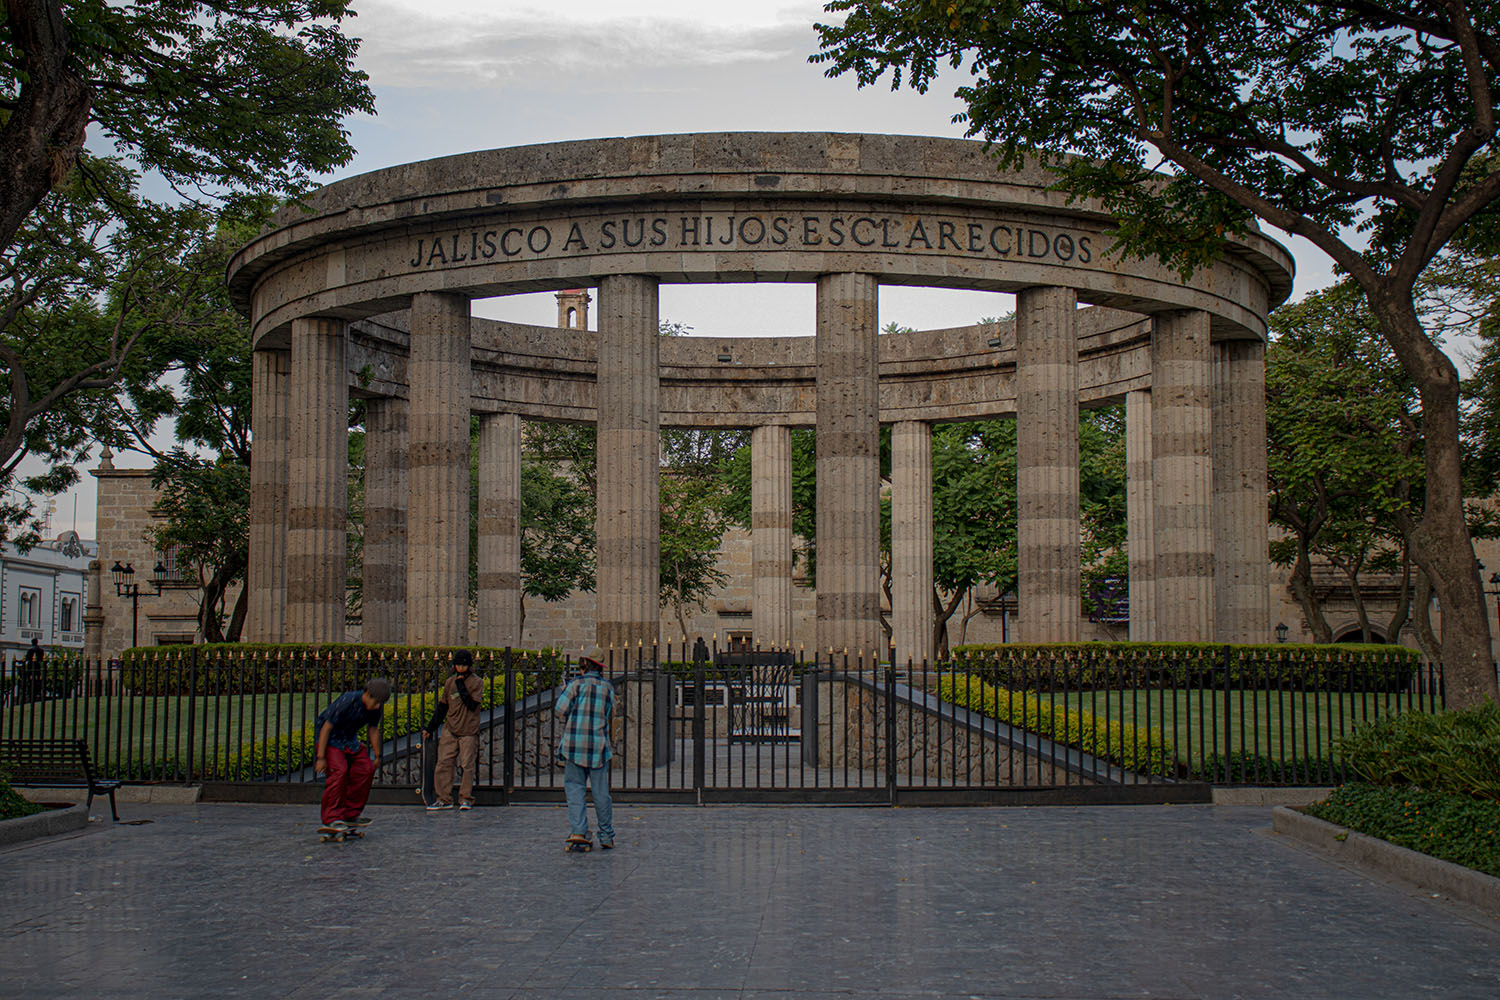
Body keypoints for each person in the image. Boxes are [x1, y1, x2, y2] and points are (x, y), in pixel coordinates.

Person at [314, 677, 392, 832]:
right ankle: (332, 818)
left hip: (349, 739)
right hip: (330, 739)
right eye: (375, 702)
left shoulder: (376, 707)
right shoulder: (348, 700)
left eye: (380, 704)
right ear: (367, 694)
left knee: (366, 769)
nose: (377, 707)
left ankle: (350, 814)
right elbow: (326, 727)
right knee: (339, 772)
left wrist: (377, 756)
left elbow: (373, 729)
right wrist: (321, 757)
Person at [556, 653, 615, 850]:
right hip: (598, 745)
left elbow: (560, 709)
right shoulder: (607, 687)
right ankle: (606, 835)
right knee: (601, 792)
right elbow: (609, 713)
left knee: (574, 788)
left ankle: (579, 831)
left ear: (583, 665)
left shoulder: (575, 684)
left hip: (574, 744)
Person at [421, 650, 484, 811]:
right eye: (458, 665)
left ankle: (465, 798)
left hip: (468, 729)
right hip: (450, 728)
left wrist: (462, 685)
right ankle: (444, 798)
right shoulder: (450, 682)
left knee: (466, 765)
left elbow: (472, 704)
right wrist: (430, 727)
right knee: (443, 763)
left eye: (463, 665)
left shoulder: (477, 682)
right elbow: (442, 707)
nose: (460, 668)